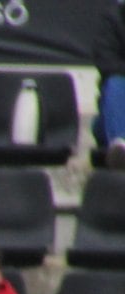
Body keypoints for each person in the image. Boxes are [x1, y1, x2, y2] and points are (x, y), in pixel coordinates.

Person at [95, 1, 124, 171]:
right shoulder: (114, 18)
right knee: (116, 82)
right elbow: (106, 62)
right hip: (116, 107)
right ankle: (121, 149)